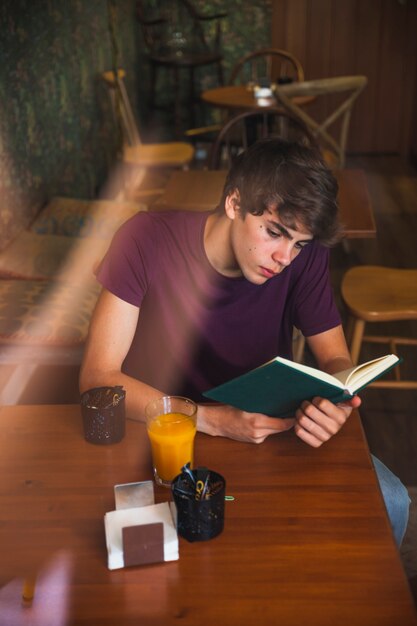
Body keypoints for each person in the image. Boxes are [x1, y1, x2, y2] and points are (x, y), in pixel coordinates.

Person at [80, 138, 409, 545]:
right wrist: (213, 419)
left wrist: (335, 403)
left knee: (393, 501)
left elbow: (335, 358)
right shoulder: (145, 239)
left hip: (271, 427)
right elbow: (98, 379)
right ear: (234, 203)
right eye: (274, 233)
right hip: (167, 434)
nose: (285, 258)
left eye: (299, 244)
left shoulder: (301, 257)